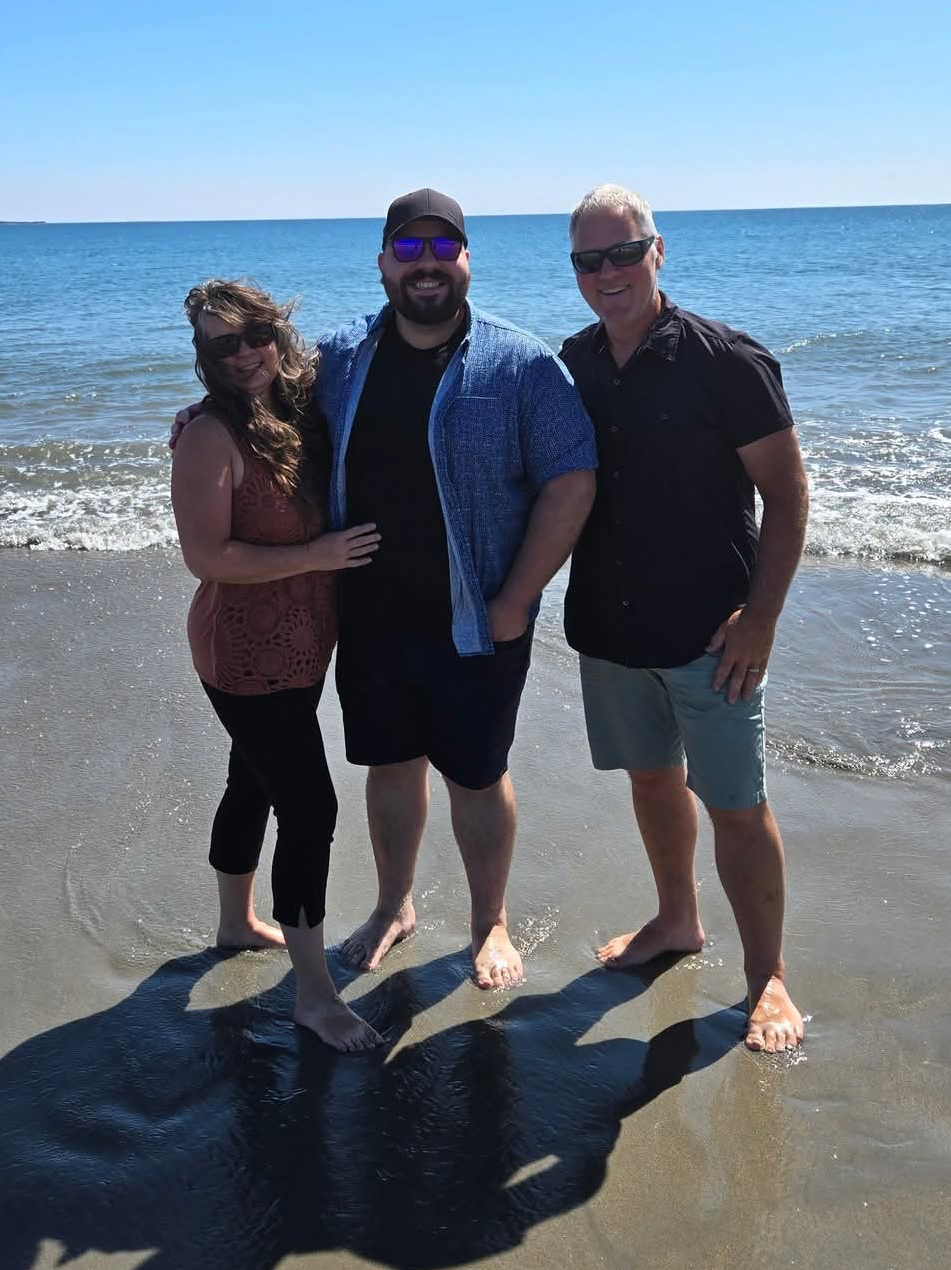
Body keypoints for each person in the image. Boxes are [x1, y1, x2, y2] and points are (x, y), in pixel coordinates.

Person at [318, 188, 597, 989]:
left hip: (477, 618)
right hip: (369, 613)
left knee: (476, 773)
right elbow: (256, 404)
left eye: (443, 248)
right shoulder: (338, 359)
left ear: (468, 259)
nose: (427, 265)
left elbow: (570, 482)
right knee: (390, 763)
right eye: (408, 250)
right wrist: (200, 418)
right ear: (381, 264)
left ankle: (489, 924)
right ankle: (393, 905)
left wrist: (515, 599)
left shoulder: (520, 364)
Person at [559, 185, 809, 1052]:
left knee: (736, 804)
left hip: (715, 635)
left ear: (657, 250)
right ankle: (675, 920)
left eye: (623, 253)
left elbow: (786, 493)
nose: (608, 274)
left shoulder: (725, 361)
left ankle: (766, 976)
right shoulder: (573, 362)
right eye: (589, 261)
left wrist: (761, 620)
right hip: (611, 628)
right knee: (650, 779)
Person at [171, 279, 384, 1051]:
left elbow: (371, 346)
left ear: (275, 331)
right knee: (310, 809)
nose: (242, 355)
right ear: (204, 358)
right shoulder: (207, 435)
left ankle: (234, 923)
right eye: (220, 345)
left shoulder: (297, 402)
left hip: (302, 642)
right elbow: (207, 555)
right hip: (242, 651)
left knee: (248, 779)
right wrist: (319, 554)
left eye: (252, 335)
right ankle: (314, 995)